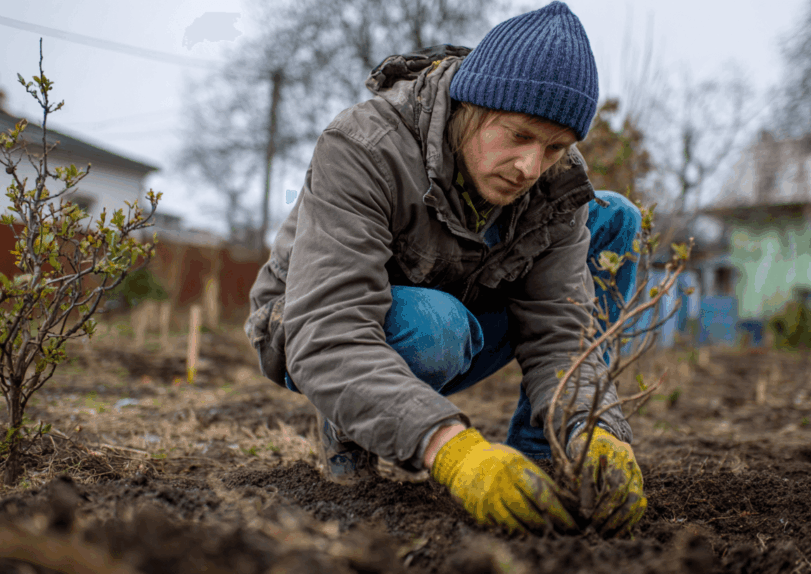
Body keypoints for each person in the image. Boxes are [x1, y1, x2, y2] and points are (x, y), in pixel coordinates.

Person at [245, 1, 645, 535]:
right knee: (438, 327)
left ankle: (543, 461)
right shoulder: (365, 147)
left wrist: (594, 429)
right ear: (472, 107)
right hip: (312, 327)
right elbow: (330, 329)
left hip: (457, 305)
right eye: (519, 136)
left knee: (613, 216)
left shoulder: (556, 182)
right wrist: (454, 450)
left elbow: (560, 333)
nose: (531, 167)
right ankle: (354, 421)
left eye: (554, 147)